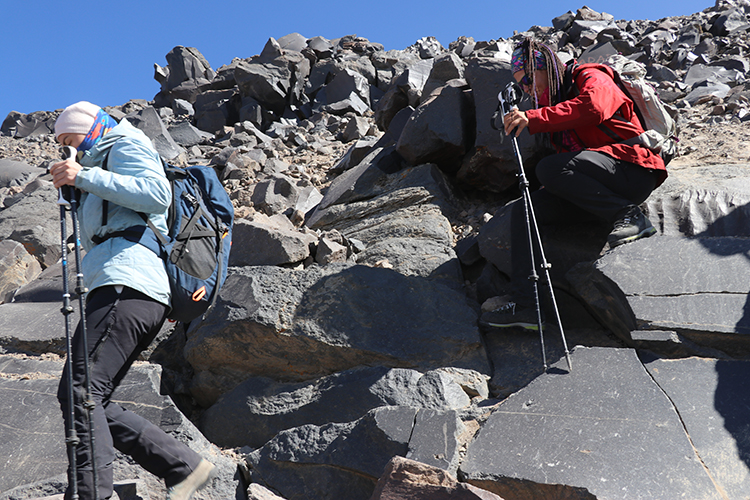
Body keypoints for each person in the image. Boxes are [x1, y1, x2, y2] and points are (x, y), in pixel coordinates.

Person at [51, 101, 215, 500]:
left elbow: (156, 195)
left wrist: (84, 176)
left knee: (81, 389)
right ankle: (185, 467)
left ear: (87, 128)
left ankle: (92, 495)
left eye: (69, 140)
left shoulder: (122, 143)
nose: (65, 149)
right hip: (125, 286)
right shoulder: (98, 162)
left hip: (129, 283)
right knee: (91, 395)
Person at [487, 38, 668, 329]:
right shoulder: (553, 104)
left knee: (548, 168)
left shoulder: (589, 75)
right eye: (521, 85)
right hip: (598, 180)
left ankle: (630, 216)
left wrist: (533, 118)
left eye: (530, 79)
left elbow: (595, 108)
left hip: (633, 169)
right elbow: (570, 166)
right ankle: (527, 305)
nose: (527, 89)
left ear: (547, 67)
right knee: (527, 211)